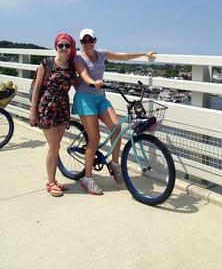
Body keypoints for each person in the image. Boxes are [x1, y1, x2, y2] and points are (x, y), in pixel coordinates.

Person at [72, 28, 156, 195]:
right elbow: (83, 74)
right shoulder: (78, 57)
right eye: (84, 41)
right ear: (81, 43)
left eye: (91, 40)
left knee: (117, 126)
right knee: (94, 138)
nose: (88, 43)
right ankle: (87, 178)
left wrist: (144, 54)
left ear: (95, 40)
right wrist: (93, 81)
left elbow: (123, 56)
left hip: (100, 97)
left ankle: (114, 163)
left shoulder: (102, 54)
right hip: (85, 98)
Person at [29, 33, 77, 197]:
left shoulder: (71, 66)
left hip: (62, 107)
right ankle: (50, 182)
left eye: (67, 45)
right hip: (47, 107)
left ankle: (54, 180)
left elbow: (79, 84)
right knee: (53, 146)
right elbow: (36, 88)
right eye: (61, 45)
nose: (64, 48)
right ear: (56, 46)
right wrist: (33, 111)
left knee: (56, 145)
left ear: (71, 48)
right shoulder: (47, 63)